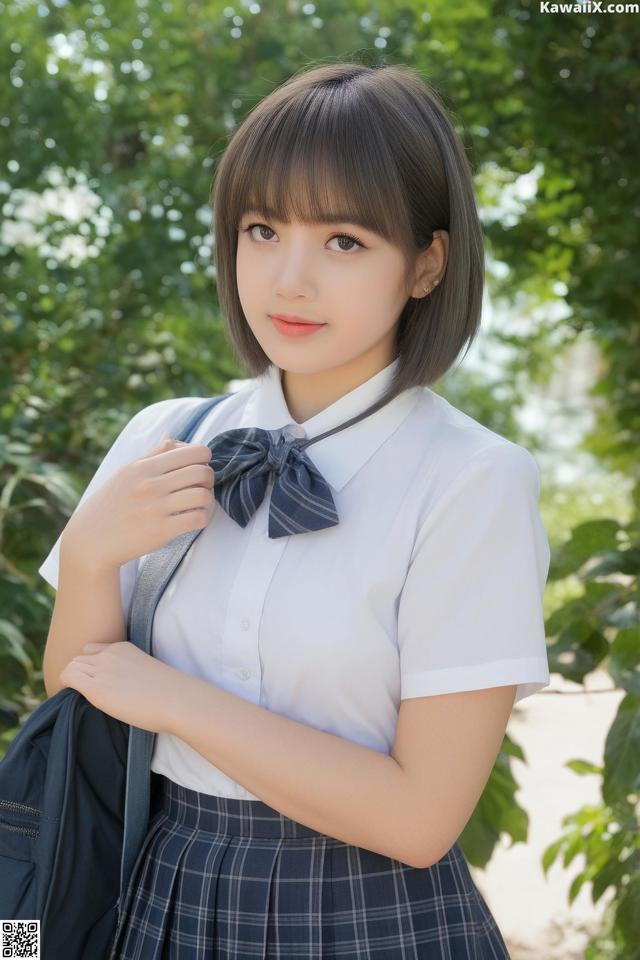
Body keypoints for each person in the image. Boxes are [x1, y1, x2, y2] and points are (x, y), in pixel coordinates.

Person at [39, 61, 551, 959]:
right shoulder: (166, 435)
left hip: (369, 913)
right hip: (160, 891)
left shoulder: (472, 481)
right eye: (263, 230)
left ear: (427, 263)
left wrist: (176, 699)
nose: (290, 280)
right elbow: (80, 702)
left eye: (344, 240)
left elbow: (420, 817)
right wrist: (86, 560)